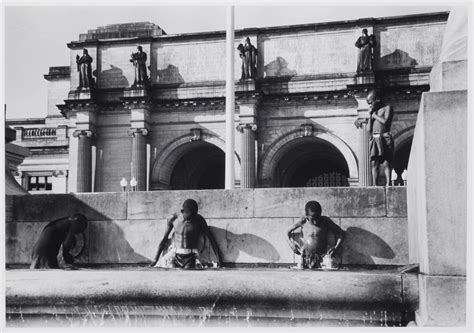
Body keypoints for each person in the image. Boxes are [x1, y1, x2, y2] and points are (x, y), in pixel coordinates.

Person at [150, 199, 223, 269]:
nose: (191, 218)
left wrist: (219, 260)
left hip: (190, 257)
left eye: (194, 215)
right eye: (189, 216)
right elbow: (164, 239)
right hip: (175, 255)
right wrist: (155, 260)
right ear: (182, 211)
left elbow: (211, 238)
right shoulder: (174, 219)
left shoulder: (199, 220)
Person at [287, 201, 345, 269]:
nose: (315, 221)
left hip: (322, 258)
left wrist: (336, 248)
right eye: (313, 218)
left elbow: (341, 233)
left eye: (318, 217)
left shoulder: (325, 221)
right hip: (306, 257)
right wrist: (291, 245)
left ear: (320, 214)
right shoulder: (303, 221)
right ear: (307, 216)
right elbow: (287, 232)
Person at [367, 89, 394, 186]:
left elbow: (386, 122)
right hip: (375, 137)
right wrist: (370, 117)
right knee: (374, 163)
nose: (370, 105)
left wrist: (375, 115)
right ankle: (375, 184)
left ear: (377, 99)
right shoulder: (373, 113)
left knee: (386, 162)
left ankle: (388, 183)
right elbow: (368, 129)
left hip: (384, 136)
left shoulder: (387, 108)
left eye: (371, 103)